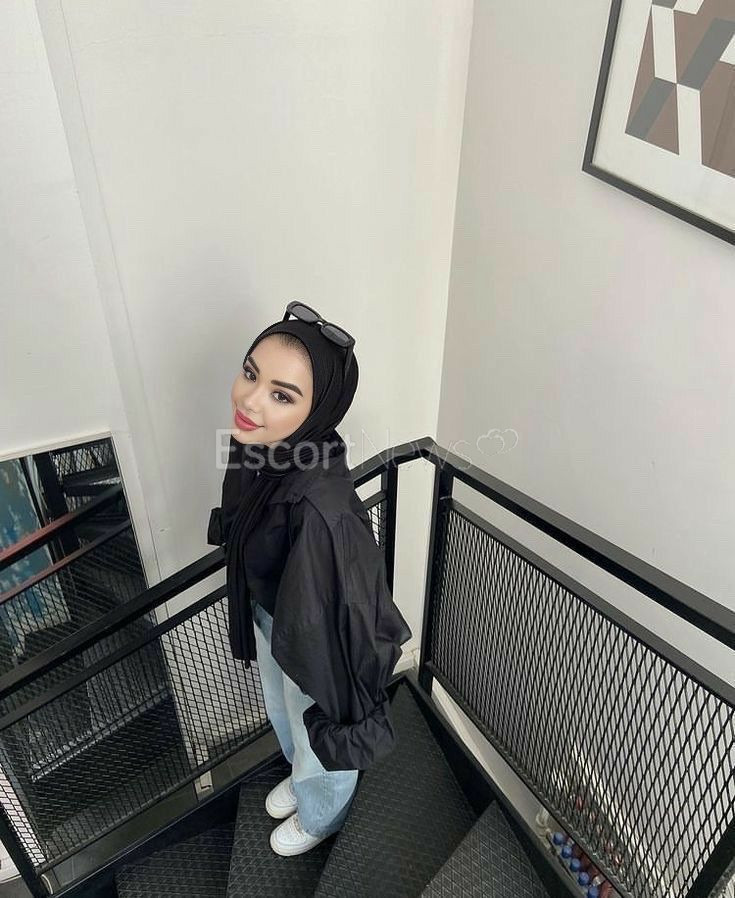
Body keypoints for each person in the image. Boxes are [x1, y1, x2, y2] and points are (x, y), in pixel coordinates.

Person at [207, 301, 412, 858]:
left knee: (313, 722)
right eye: (250, 373)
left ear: (317, 409)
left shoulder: (323, 509)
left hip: (316, 635)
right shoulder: (257, 445)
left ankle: (322, 814)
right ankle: (302, 780)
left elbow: (347, 613)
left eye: (282, 395)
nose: (250, 401)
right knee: (282, 712)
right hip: (272, 611)